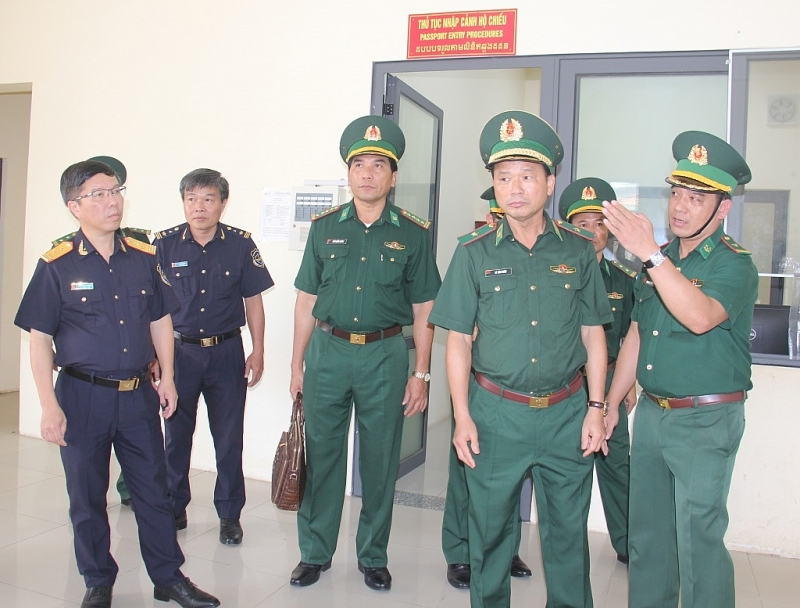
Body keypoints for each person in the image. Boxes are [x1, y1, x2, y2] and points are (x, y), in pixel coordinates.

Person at [14, 159, 219, 608]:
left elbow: (161, 319)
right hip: (81, 395)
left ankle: (168, 577)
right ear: (74, 206)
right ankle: (98, 579)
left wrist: (166, 376)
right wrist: (48, 405)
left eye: (116, 190)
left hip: (136, 397)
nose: (112, 201)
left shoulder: (144, 257)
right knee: (87, 496)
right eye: (99, 194)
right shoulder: (56, 265)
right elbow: (40, 340)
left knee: (153, 490)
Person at [428, 111, 613, 608]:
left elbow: (594, 335)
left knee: (567, 538)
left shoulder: (578, 251)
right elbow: (460, 342)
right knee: (488, 536)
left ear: (550, 183)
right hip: (495, 414)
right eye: (503, 177)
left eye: (527, 176)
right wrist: (461, 416)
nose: (515, 188)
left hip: (567, 414)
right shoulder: (473, 253)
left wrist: (597, 408)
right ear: (493, 184)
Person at [602, 131, 757, 608]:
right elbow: (635, 334)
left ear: (722, 208)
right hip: (652, 414)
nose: (680, 207)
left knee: (699, 540)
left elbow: (699, 316)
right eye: (676, 193)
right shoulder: (663, 261)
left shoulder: (733, 265)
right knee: (647, 539)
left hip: (705, 419)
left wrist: (649, 254)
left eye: (696, 197)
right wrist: (609, 405)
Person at [288, 115, 441, 591]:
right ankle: (315, 552)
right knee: (324, 456)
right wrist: (297, 363)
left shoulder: (413, 233)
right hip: (329, 354)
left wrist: (421, 373)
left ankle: (373, 554)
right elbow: (307, 301)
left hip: (385, 356)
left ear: (393, 177)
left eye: (378, 165)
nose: (368, 173)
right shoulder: (325, 229)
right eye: (359, 164)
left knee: (379, 461)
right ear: (348, 173)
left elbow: (425, 308)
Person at [154, 168, 274, 545]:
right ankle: (174, 508)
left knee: (228, 438)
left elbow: (252, 300)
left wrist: (258, 349)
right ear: (183, 202)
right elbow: (152, 308)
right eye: (191, 198)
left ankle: (228, 515)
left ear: (223, 203)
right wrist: (155, 358)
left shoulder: (240, 245)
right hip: (179, 354)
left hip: (226, 353)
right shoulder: (164, 245)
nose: (199, 207)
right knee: (176, 437)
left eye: (208, 199)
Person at [441, 186, 532, 590]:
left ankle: (505, 548)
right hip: (475, 382)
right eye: (495, 215)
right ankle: (460, 552)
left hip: (512, 386)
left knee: (507, 478)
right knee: (467, 476)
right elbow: (460, 326)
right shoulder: (475, 253)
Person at [558, 177, 637, 565]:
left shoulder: (625, 281)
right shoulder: (555, 275)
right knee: (568, 475)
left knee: (618, 468)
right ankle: (570, 553)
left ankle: (628, 546)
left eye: (599, 223)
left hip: (610, 389)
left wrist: (625, 387)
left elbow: (630, 337)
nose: (592, 233)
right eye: (582, 224)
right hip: (570, 388)